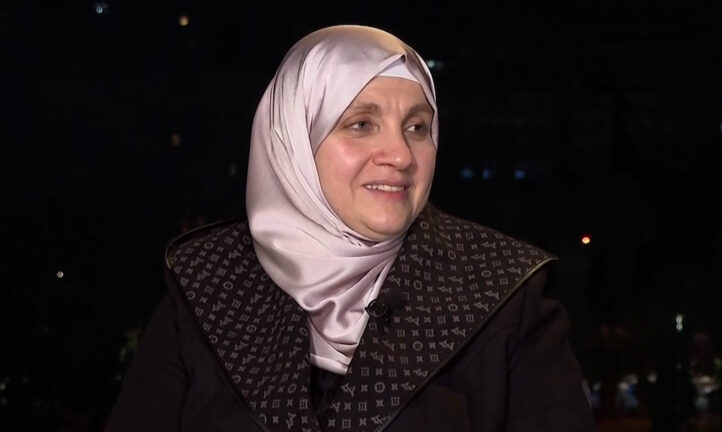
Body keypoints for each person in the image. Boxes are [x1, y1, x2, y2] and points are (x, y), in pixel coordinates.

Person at [105, 24, 596, 431]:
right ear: (294, 141)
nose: (400, 155)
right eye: (361, 124)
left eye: (417, 127)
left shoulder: (504, 293)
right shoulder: (206, 285)